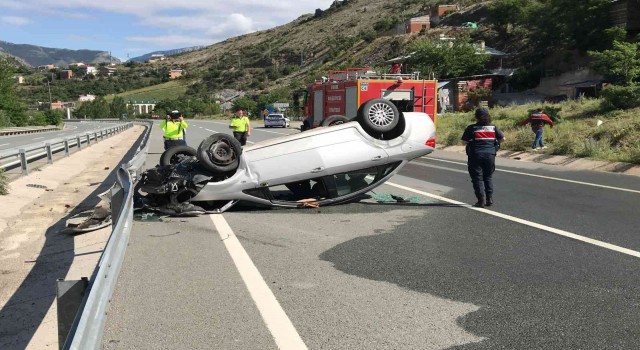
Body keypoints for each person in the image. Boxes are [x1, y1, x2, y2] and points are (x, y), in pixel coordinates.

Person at [461, 108, 505, 208]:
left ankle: (481, 201)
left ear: (476, 116)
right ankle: (489, 199)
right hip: (490, 155)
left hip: (475, 155)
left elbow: (463, 142)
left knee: (477, 178)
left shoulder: (472, 128)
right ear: (488, 116)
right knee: (488, 177)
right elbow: (503, 139)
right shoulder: (493, 127)